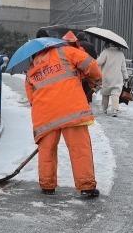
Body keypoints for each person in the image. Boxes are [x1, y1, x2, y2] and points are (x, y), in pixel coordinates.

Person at [25, 36, 103, 197]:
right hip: (71, 110)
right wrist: (94, 80)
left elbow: (31, 96)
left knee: (47, 150)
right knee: (79, 149)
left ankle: (47, 185)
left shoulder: (33, 66)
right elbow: (91, 66)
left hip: (44, 115)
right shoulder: (66, 51)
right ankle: (86, 187)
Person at [96, 43, 129, 116]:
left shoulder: (105, 52)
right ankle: (114, 110)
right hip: (117, 77)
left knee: (105, 94)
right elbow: (123, 68)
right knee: (115, 94)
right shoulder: (121, 54)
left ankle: (104, 110)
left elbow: (98, 62)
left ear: (109, 44)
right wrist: (126, 77)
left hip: (106, 77)